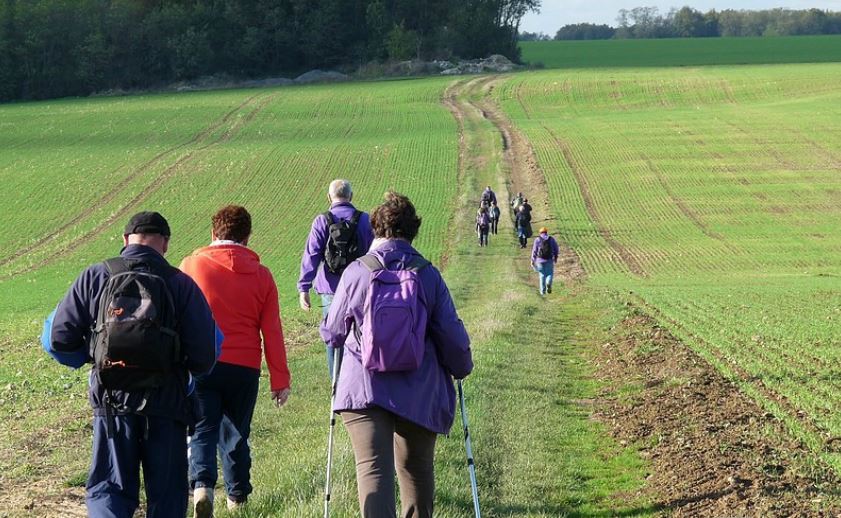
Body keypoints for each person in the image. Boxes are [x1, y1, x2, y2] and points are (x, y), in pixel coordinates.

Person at [42, 211, 218, 518]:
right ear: (165, 244)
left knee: (109, 491)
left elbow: (59, 338)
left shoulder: (96, 276)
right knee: (167, 497)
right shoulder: (181, 284)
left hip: (112, 403)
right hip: (166, 404)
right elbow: (204, 358)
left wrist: (95, 356)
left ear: (125, 240)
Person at [321, 191, 473, 518]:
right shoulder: (428, 274)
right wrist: (462, 367)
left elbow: (332, 332)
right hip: (419, 389)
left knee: (372, 469)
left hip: (363, 387)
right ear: (413, 230)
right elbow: (452, 337)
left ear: (375, 228)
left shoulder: (357, 272)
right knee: (416, 469)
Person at [179, 205, 291, 516]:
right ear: (248, 236)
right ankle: (237, 498)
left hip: (202, 363)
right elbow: (272, 331)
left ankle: (202, 486)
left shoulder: (190, 266)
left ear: (213, 233)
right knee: (237, 433)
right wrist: (279, 378)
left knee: (202, 427)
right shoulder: (262, 275)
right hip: (244, 366)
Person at [298, 179, 374, 377]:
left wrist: (304, 287)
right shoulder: (365, 220)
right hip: (361, 289)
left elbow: (312, 254)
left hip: (330, 290)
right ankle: (360, 378)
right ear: (351, 196)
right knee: (363, 334)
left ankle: (336, 383)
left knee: (333, 336)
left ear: (329, 197)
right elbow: (375, 254)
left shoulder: (322, 221)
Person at [531, 226, 560, 295]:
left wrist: (533, 260)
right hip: (549, 260)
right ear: (546, 232)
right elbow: (556, 249)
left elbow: (534, 250)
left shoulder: (537, 239)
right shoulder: (551, 239)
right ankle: (548, 283)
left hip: (539, 261)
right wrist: (555, 257)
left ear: (540, 233)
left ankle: (542, 292)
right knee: (549, 273)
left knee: (542, 275)